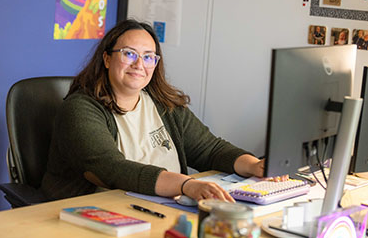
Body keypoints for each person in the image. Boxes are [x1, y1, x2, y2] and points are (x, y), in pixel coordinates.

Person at [41, 19, 286, 203]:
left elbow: (209, 149)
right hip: (98, 213)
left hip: (164, 207)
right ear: (107, 59)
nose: (139, 65)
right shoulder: (80, 109)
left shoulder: (162, 103)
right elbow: (111, 169)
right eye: (129, 54)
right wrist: (186, 185)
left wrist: (254, 165)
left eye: (149, 57)